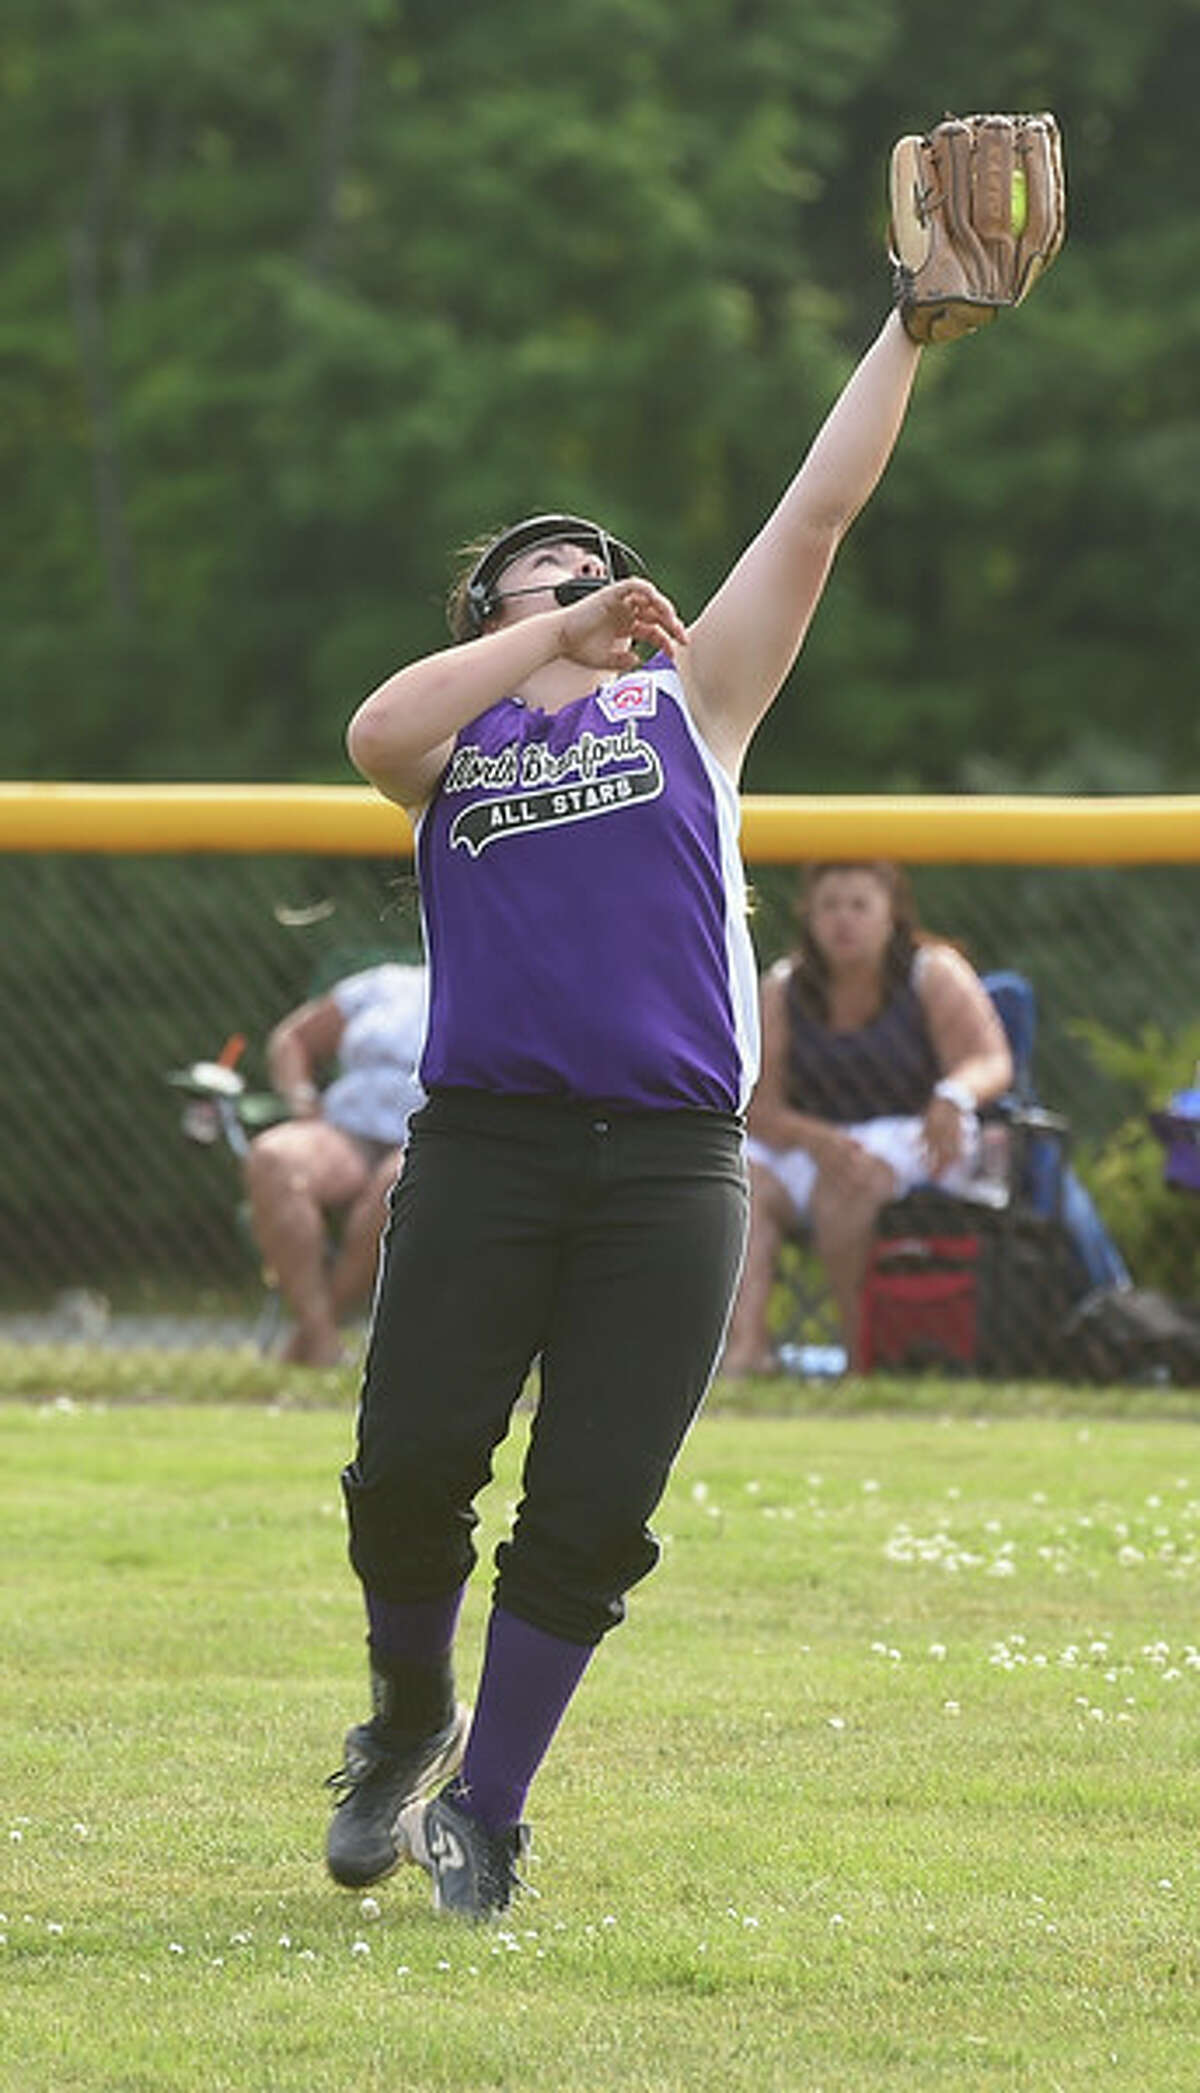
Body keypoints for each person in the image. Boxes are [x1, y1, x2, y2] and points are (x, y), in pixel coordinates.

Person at [325, 300, 930, 1924]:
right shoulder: (455, 742)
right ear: (490, 616)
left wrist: (905, 330)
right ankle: (406, 1719)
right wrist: (550, 632)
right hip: (487, 1147)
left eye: (606, 569)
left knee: (592, 1504)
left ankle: (489, 1811)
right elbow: (376, 729)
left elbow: (817, 512)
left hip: (669, 1165)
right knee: (406, 1472)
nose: (594, 583)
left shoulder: (692, 707)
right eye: (551, 573)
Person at [719, 861, 1014, 1377]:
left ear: (891, 914)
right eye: (829, 906)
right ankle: (746, 1351)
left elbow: (991, 1061)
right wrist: (815, 1139)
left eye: (859, 905)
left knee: (850, 1183)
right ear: (808, 916)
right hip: (812, 1142)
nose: (843, 920)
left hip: (914, 1137)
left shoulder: (932, 972)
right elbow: (757, 1106)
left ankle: (861, 1360)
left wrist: (953, 1095)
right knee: (739, 1180)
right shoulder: (783, 988)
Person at [242, 962, 426, 1366]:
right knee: (274, 1158)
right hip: (346, 1129)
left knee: (402, 1181)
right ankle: (322, 1340)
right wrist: (301, 1097)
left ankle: (311, 1337)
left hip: (430, 1136)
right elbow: (293, 1038)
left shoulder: (494, 994)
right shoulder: (385, 982)